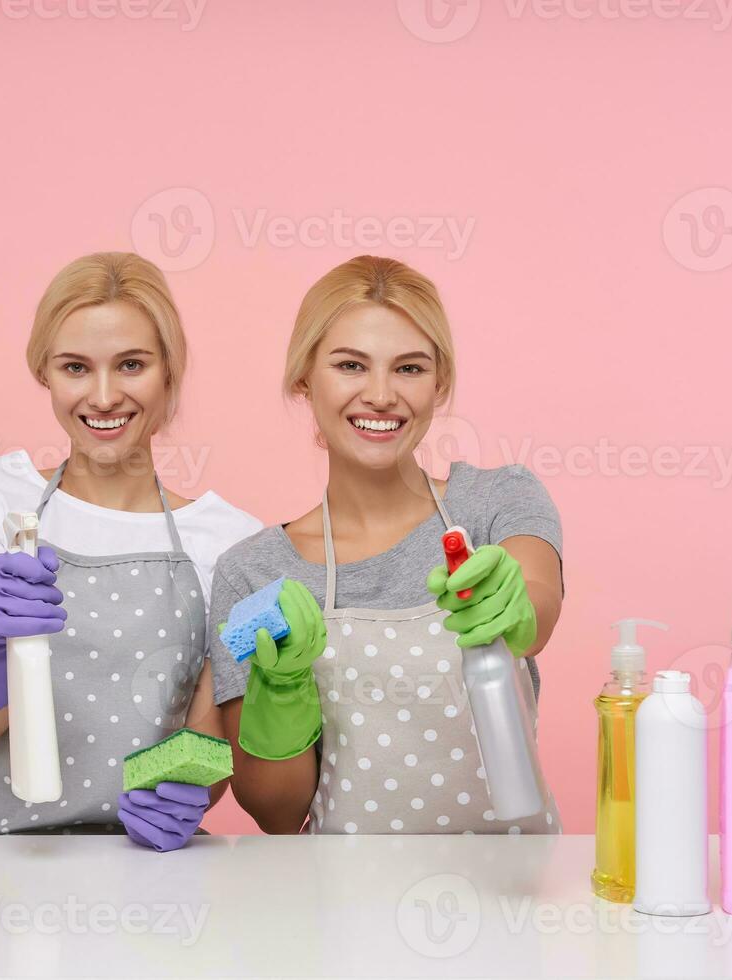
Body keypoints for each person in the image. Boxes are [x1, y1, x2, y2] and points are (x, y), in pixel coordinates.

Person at [0, 252, 261, 849]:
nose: (102, 396)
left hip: (137, 863)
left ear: (168, 370)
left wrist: (189, 789)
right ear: (44, 373)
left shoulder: (228, 539)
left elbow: (209, 735)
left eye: (131, 365)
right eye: (76, 367)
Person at [209, 255, 564, 835]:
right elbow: (275, 812)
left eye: (409, 368)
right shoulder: (255, 571)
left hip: (515, 890)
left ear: (438, 382)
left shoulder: (497, 501)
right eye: (350, 365)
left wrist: (515, 602)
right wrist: (279, 690)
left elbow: (538, 600)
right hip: (346, 905)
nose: (380, 395)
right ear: (305, 377)